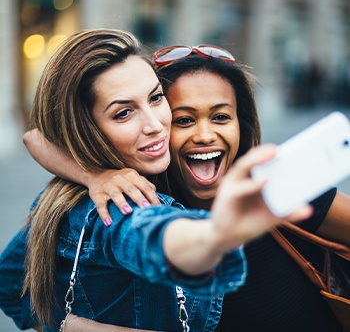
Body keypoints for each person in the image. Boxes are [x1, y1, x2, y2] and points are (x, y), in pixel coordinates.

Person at [23, 44, 350, 331]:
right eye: (184, 120)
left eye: (221, 117)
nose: (205, 134)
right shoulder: (133, 202)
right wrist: (94, 175)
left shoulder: (279, 188)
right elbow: (17, 290)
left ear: (242, 124)